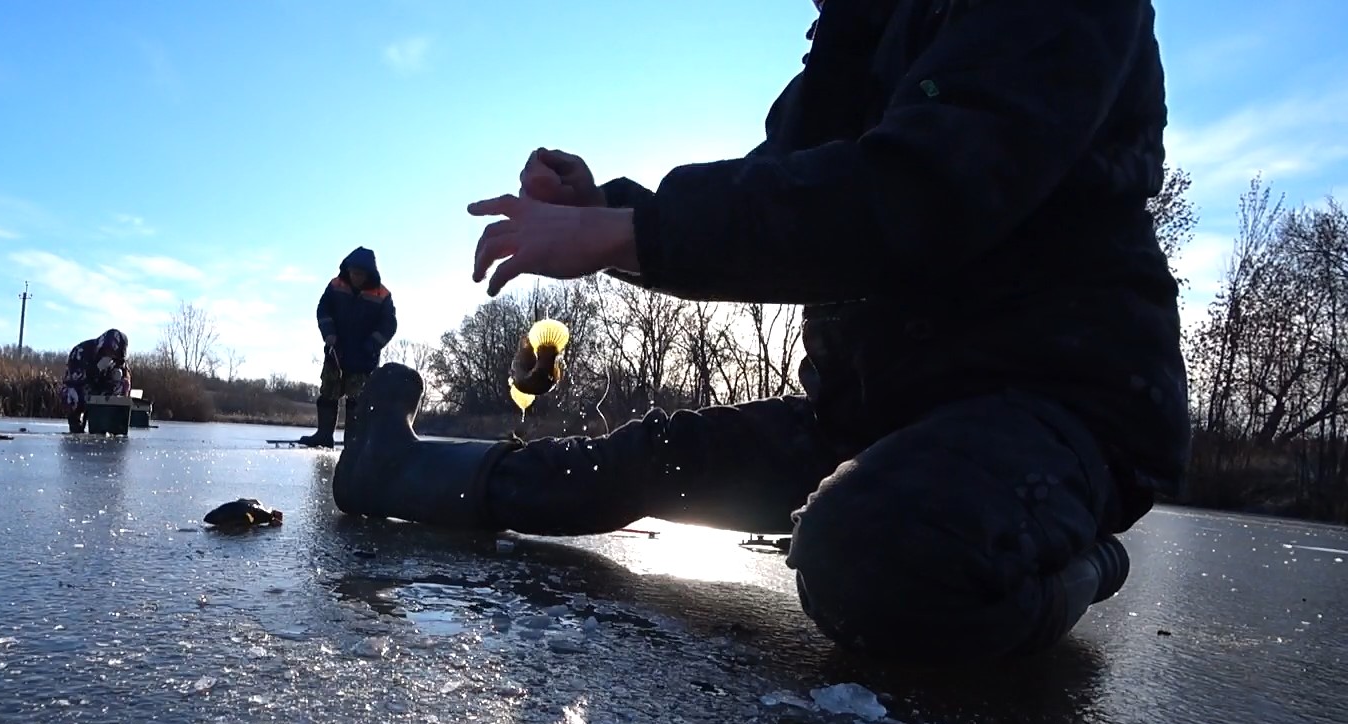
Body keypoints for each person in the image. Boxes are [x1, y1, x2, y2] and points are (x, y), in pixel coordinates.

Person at [333, 0, 1188, 664]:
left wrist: (630, 234)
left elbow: (917, 191)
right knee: (649, 456)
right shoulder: (856, 33)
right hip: (863, 413)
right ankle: (398, 468)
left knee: (874, 553)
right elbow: (780, 192)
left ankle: (1086, 564)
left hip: (1059, 407)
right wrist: (610, 209)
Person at [297, 247, 396, 447]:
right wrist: (329, 334)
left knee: (357, 402)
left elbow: (389, 325)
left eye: (360, 274)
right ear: (348, 270)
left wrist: (372, 345)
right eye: (353, 272)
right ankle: (324, 435)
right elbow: (323, 309)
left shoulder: (382, 294)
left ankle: (353, 442)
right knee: (328, 394)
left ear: (368, 274)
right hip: (337, 352)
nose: (356, 277)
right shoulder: (335, 286)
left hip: (364, 357)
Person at [61, 329, 130, 434]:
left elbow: (126, 375)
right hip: (82, 388)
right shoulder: (81, 351)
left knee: (121, 383)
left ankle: (108, 424)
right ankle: (76, 422)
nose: (111, 355)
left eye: (114, 354)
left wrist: (124, 384)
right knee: (71, 394)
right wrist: (96, 369)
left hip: (104, 390)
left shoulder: (117, 359)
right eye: (109, 351)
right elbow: (74, 379)